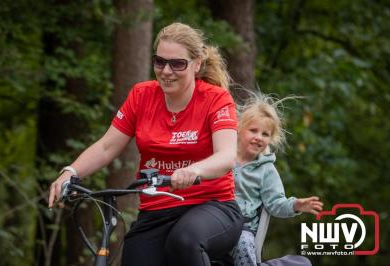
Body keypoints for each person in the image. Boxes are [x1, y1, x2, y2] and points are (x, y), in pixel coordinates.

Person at [48, 22, 243, 266]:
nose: (166, 71)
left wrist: (194, 171)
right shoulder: (142, 96)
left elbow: (226, 157)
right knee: (134, 257)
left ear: (197, 65)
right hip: (157, 210)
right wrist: (71, 172)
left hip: (213, 206)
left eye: (177, 63)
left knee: (184, 241)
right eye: (159, 62)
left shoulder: (216, 99)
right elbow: (107, 146)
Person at [231, 94, 323, 266]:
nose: (259, 137)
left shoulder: (266, 170)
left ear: (271, 139)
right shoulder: (223, 156)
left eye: (265, 134)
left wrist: (296, 205)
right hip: (214, 220)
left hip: (242, 228)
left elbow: (276, 203)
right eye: (253, 130)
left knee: (242, 244)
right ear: (239, 128)